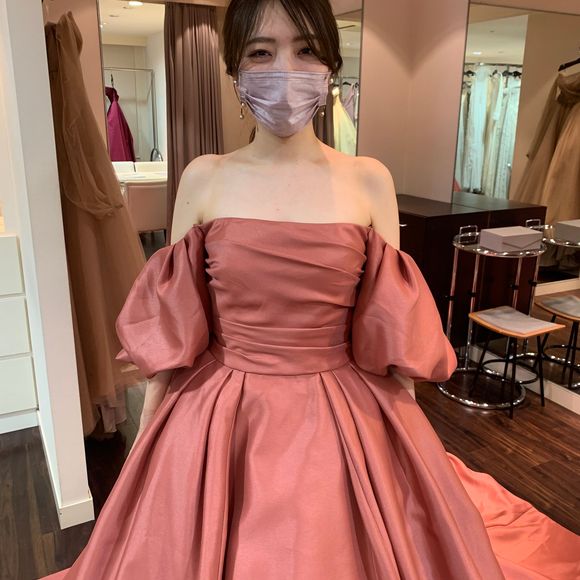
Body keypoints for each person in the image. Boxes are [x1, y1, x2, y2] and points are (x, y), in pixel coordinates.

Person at [44, 0, 580, 578]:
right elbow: (176, 322)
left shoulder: (369, 180)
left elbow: (390, 323)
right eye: (261, 51)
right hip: (218, 414)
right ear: (235, 69)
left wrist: (409, 448)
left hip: (340, 410)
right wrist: (148, 443)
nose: (285, 69)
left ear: (330, 67)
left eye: (306, 50)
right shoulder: (204, 176)